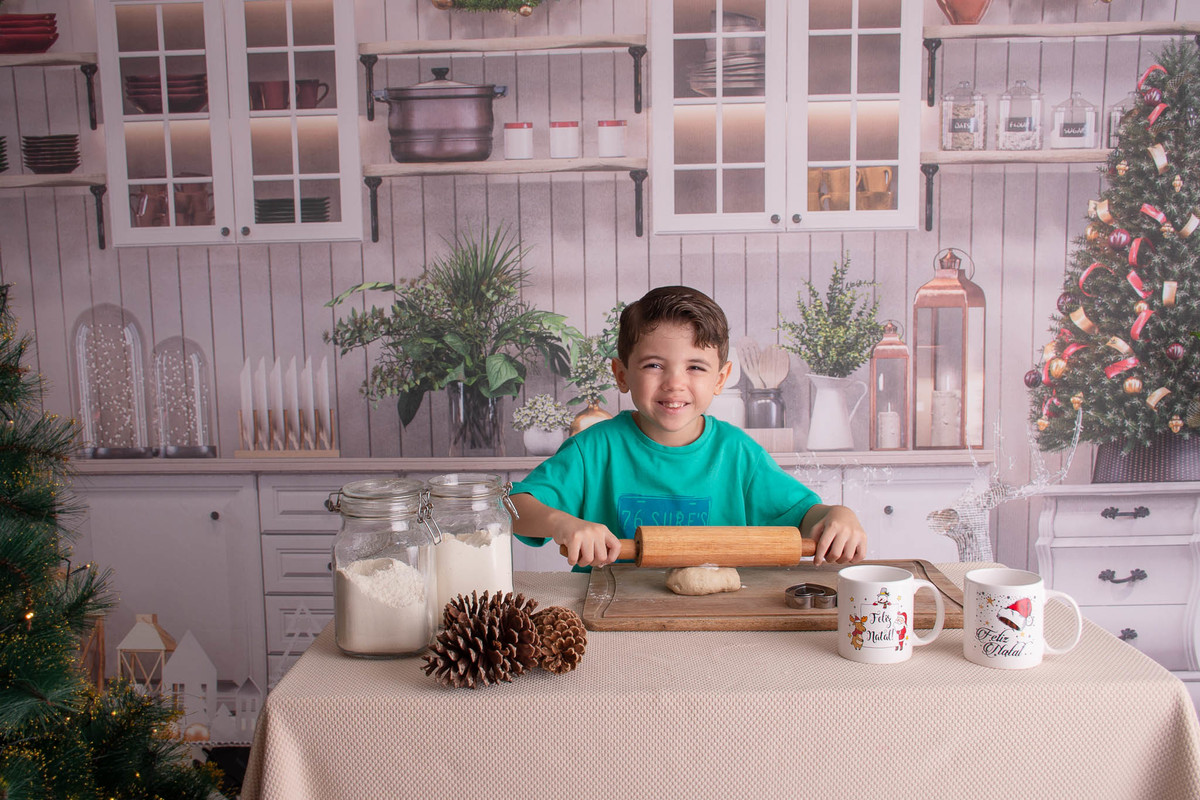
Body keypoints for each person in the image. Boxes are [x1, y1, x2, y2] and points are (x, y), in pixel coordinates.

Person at [510, 285, 868, 569]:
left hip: (718, 620)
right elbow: (514, 508)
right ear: (621, 374)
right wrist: (562, 523)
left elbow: (805, 517)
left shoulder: (738, 454)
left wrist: (839, 515)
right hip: (609, 617)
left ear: (720, 378)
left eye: (695, 367)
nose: (674, 384)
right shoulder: (592, 451)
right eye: (653, 365)